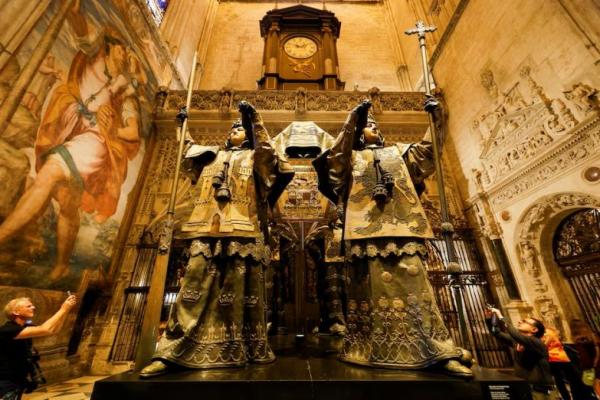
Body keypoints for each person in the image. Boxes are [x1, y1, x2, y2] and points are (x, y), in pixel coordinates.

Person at [312, 99, 471, 376]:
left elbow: (427, 154)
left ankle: (437, 348)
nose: (372, 127)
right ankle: (372, 347)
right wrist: (351, 123)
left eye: (374, 125)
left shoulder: (398, 154)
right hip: (364, 234)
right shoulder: (349, 158)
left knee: (417, 288)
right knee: (370, 292)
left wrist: (435, 121)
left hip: (403, 229)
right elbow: (334, 164)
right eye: (366, 126)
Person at [140, 101, 294, 377]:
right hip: (206, 227)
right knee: (193, 285)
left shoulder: (255, 158)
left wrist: (255, 120)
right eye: (235, 129)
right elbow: (187, 150)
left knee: (240, 288)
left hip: (243, 228)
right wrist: (181, 127)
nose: (239, 132)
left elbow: (271, 157)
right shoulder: (210, 156)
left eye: (243, 129)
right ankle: (171, 351)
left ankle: (243, 345)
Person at [0, 0, 141, 281]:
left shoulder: (124, 94)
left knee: (50, 171)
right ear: (110, 47)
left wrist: (111, 129)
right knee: (67, 201)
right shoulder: (94, 60)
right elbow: (84, 36)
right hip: (70, 128)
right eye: (121, 48)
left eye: (126, 51)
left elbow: (133, 133)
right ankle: (62, 264)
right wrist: (76, 13)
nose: (124, 54)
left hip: (94, 144)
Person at [0, 295, 77, 399]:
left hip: (17, 378)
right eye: (29, 306)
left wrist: (66, 311)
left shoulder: (25, 327)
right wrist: (63, 309)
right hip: (5, 380)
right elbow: (46, 329)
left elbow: (53, 330)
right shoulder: (8, 329)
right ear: (16, 312)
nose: (33, 307)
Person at [486, 307, 555, 399]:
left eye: (524, 321)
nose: (519, 322)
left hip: (541, 392)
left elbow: (514, 334)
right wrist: (489, 318)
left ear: (534, 330)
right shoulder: (516, 341)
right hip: (524, 388)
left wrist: (501, 316)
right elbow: (496, 332)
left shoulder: (537, 343)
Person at [543, 326, 595, 400]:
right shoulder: (547, 351)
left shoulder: (569, 348)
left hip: (564, 360)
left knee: (577, 382)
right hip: (554, 362)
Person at [570, 319, 600, 398]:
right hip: (596, 364)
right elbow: (597, 349)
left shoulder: (577, 340)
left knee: (593, 386)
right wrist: (596, 361)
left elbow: (583, 356)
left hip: (588, 367)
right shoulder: (591, 335)